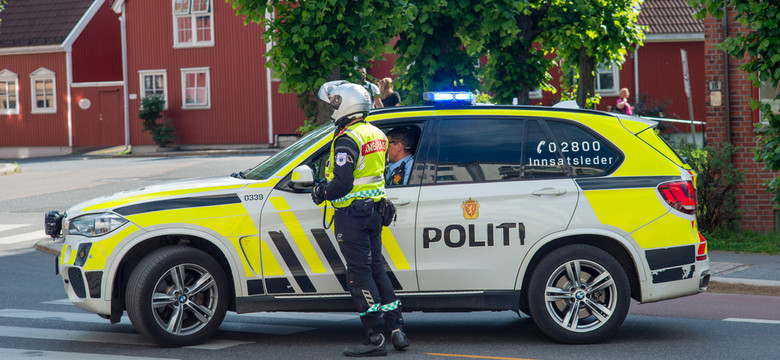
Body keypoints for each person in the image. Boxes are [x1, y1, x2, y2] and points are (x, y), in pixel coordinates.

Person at [312, 81, 409, 357]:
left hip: (352, 215)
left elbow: (341, 183)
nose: (332, 109)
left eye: (334, 103)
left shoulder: (347, 138)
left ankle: (375, 337)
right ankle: (396, 330)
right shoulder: (376, 133)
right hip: (375, 212)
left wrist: (321, 191)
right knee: (377, 269)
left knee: (358, 275)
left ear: (345, 105)